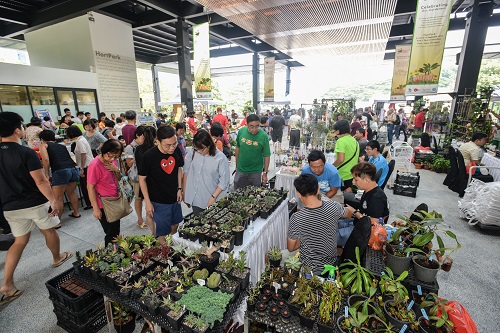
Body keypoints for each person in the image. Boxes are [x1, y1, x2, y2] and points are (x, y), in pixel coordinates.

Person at [0, 112, 73, 304]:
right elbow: (40, 180)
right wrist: (54, 200)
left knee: (19, 241)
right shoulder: (26, 153)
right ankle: (57, 257)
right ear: (17, 130)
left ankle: (7, 283)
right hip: (34, 202)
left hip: (10, 206)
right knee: (48, 230)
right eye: (22, 127)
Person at [287, 174, 354, 275]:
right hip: (330, 265)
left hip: (309, 269)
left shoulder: (297, 218)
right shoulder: (333, 206)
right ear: (318, 190)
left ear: (299, 194)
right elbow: (348, 214)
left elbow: (291, 247)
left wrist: (306, 237)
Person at [138, 126, 184, 244]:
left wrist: (180, 188)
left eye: (174, 143)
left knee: (175, 225)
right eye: (167, 145)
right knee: (163, 231)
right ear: (157, 141)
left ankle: (171, 243)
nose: (172, 148)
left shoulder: (176, 150)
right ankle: (166, 252)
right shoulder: (149, 156)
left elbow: (179, 169)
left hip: (174, 196)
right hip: (158, 200)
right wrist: (147, 202)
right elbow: (142, 179)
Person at [182, 130, 230, 215]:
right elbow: (186, 172)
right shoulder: (193, 152)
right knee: (199, 223)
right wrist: (185, 193)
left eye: (202, 149)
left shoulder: (220, 158)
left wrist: (213, 197)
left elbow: (224, 181)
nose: (199, 152)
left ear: (209, 144)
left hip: (213, 199)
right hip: (196, 199)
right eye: (197, 149)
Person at [87, 139, 124, 245]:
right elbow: (90, 187)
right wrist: (95, 208)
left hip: (114, 200)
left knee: (115, 231)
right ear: (104, 151)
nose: (112, 159)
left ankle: (114, 252)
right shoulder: (95, 165)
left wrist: (116, 169)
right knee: (111, 232)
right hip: (103, 203)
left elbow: (119, 178)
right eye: (110, 156)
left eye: (115, 157)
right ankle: (111, 254)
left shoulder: (112, 162)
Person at [39, 130, 80, 220]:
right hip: (73, 169)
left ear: (42, 139)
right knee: (72, 193)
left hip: (60, 170)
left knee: (57, 198)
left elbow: (45, 159)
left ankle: (58, 221)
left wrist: (47, 174)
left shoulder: (44, 145)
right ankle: (76, 213)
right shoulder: (62, 146)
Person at [234, 114, 271, 189]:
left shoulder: (263, 136)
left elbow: (267, 155)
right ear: (247, 125)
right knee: (238, 193)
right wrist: (237, 165)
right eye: (251, 126)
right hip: (241, 170)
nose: (254, 129)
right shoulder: (241, 131)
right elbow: (238, 148)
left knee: (254, 195)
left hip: (256, 172)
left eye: (257, 126)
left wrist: (265, 173)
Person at [124, 125, 148, 229]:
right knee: (138, 198)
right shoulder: (130, 147)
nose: (146, 138)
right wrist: (141, 156)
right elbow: (129, 163)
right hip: (136, 177)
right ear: (137, 135)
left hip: (147, 174)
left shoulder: (146, 145)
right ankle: (140, 219)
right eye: (144, 136)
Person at [134, 126, 157, 231]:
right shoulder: (156, 149)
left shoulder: (139, 149)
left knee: (146, 206)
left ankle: (153, 232)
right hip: (154, 182)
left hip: (142, 180)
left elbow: (139, 166)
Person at [66, 126, 93, 211]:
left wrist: (81, 168)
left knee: (86, 186)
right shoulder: (81, 140)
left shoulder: (80, 141)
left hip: (86, 166)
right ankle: (90, 202)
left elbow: (83, 156)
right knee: (86, 186)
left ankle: (90, 203)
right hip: (86, 165)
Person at [333, 120, 359, 191]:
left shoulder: (341, 141)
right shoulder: (355, 141)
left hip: (342, 175)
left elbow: (341, 159)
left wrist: (331, 166)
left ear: (338, 131)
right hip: (352, 174)